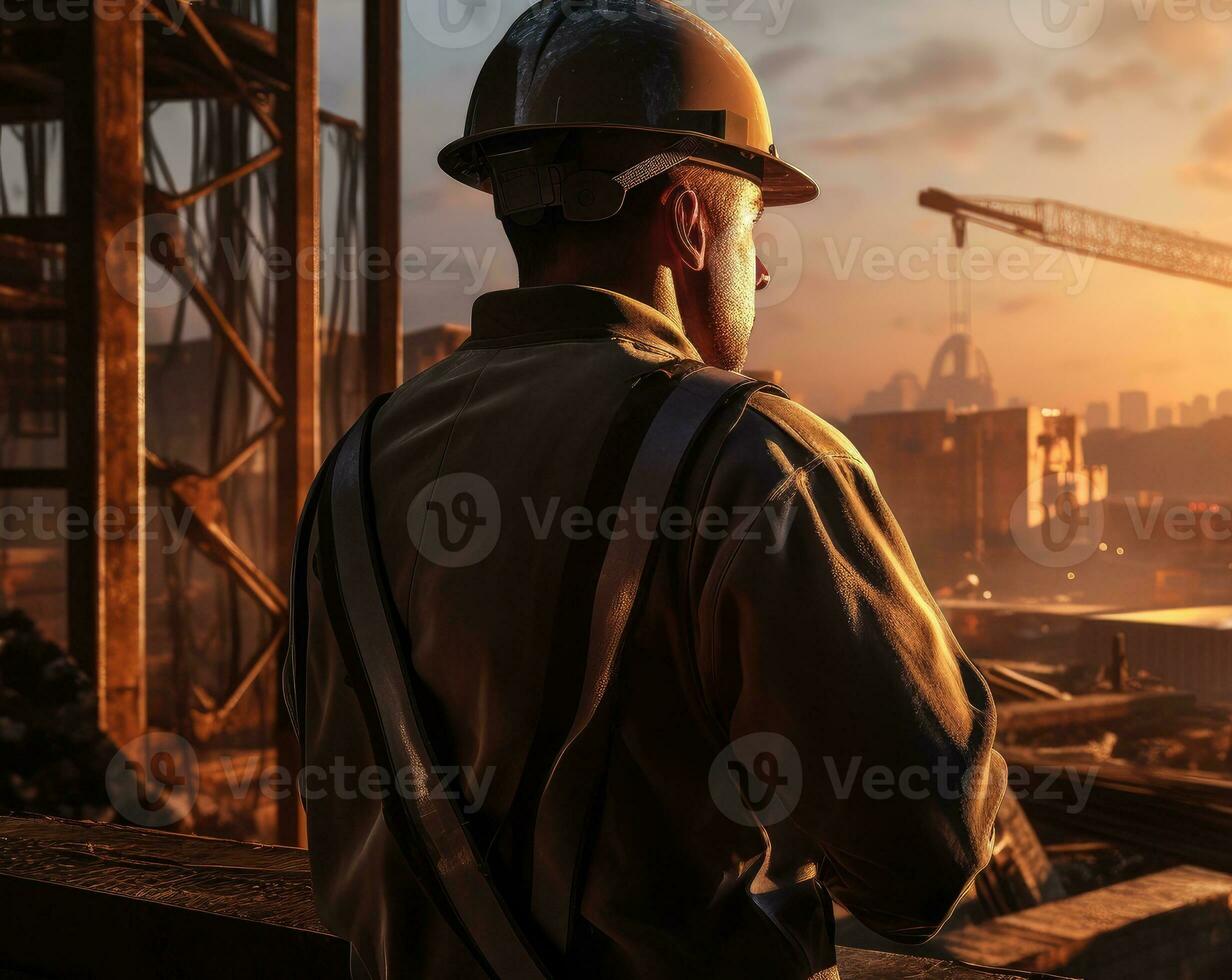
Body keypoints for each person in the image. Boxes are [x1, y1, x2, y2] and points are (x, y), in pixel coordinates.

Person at [283, 3, 1004, 977]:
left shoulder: (360, 465)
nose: (761, 266)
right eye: (755, 227)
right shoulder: (756, 460)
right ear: (690, 222)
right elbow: (921, 865)